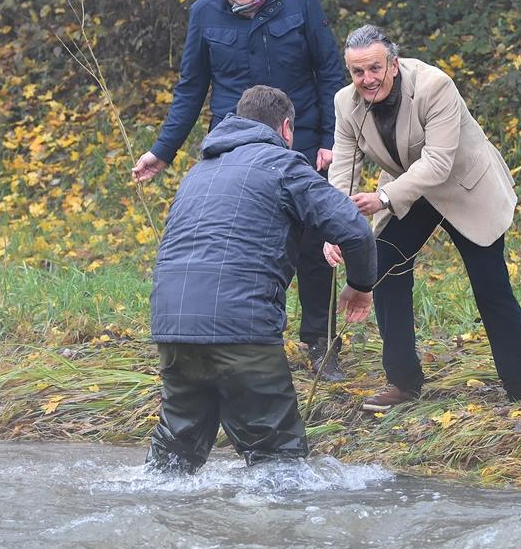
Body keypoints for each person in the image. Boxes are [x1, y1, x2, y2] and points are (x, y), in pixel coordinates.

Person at [133, 0, 350, 381]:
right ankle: (242, 343)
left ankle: (321, 344)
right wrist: (163, 151)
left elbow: (330, 72)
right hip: (234, 148)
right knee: (245, 247)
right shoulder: (204, 13)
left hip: (303, 141)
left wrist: (332, 138)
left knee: (314, 247)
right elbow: (191, 88)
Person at [145, 85, 376, 474]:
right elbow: (354, 229)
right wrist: (360, 287)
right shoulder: (283, 165)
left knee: (175, 457)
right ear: (286, 129)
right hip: (241, 330)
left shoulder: (196, 173)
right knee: (278, 460)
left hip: (172, 327)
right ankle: (276, 533)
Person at [324, 25, 521, 412]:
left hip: (464, 186)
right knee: (385, 269)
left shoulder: (434, 85)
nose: (367, 79)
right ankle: (403, 383)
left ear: (393, 64)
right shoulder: (346, 103)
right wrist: (336, 227)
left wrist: (382, 198)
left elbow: (439, 163)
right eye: (358, 72)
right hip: (410, 190)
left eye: (374, 68)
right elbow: (343, 168)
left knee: (490, 286)